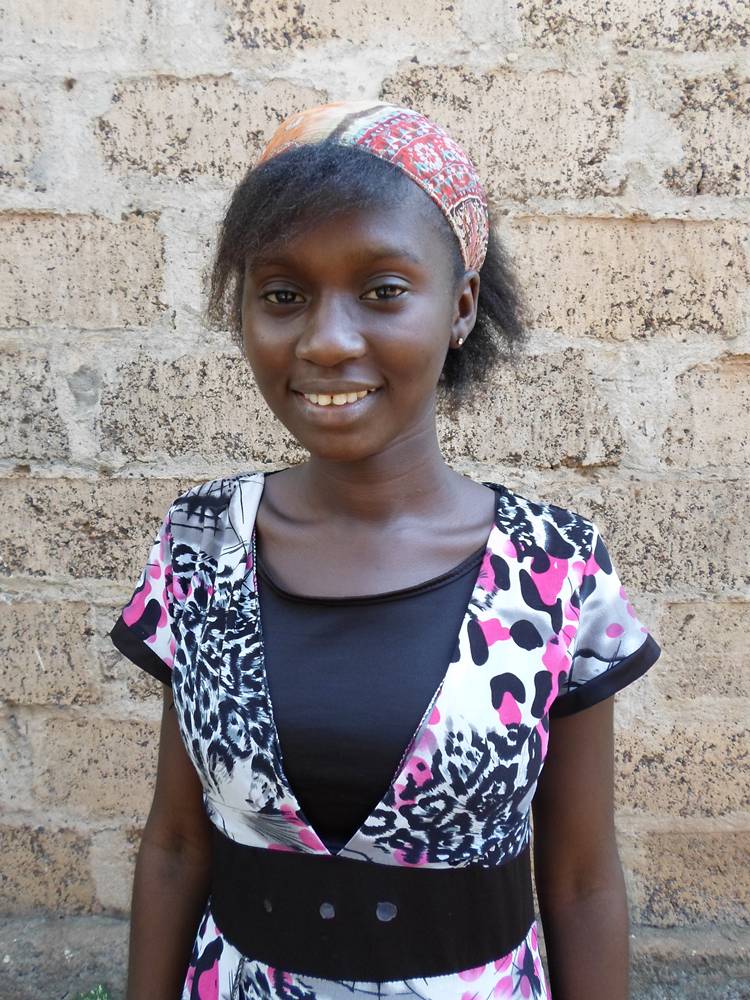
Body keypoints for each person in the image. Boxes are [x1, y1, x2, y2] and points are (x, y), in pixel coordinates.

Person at [108, 101, 662, 1000]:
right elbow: (175, 845)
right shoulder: (201, 545)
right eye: (282, 295)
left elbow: (582, 882)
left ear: (461, 307)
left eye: (383, 290)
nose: (327, 341)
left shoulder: (553, 570)